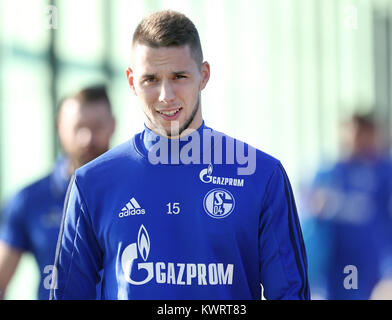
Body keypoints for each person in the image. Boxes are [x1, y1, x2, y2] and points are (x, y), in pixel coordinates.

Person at [50, 10, 310, 300]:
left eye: (179, 76)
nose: (166, 95)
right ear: (131, 81)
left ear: (204, 75)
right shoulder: (92, 184)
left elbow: (289, 293)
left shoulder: (261, 176)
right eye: (151, 79)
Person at [0, 85, 115, 300]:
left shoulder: (134, 192)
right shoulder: (28, 200)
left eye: (97, 127)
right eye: (78, 127)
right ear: (59, 127)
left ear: (113, 125)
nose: (87, 138)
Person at [302, 112, 392, 299]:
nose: (352, 140)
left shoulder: (390, 175)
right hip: (335, 271)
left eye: (359, 134)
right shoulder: (329, 173)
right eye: (348, 133)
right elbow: (308, 219)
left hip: (378, 271)